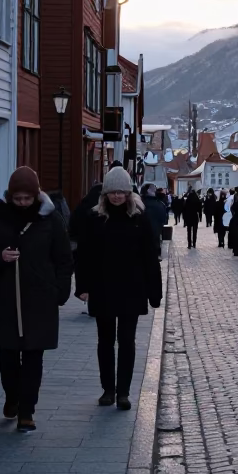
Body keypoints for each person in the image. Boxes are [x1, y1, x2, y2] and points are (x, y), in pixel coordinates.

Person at [0, 167, 73, 432]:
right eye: (18, 199)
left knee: (33, 359)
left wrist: (61, 290)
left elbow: (63, 259)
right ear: (10, 195)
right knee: (7, 358)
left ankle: (27, 411)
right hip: (5, 299)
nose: (22, 203)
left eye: (27, 198)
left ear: (36, 195)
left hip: (40, 300)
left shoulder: (51, 221)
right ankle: (12, 397)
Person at [75, 166, 163, 410]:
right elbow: (84, 255)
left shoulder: (139, 219)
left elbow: (149, 257)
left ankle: (123, 391)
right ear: (105, 194)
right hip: (102, 287)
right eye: (112, 192)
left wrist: (154, 292)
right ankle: (108, 390)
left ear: (128, 193)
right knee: (105, 340)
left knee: (127, 341)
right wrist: (82, 286)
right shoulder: (95, 218)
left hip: (131, 287)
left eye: (121, 192)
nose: (116, 196)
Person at [142, 184, 170, 260]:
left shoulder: (139, 204)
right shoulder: (160, 204)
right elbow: (164, 219)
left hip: (141, 237)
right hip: (156, 234)